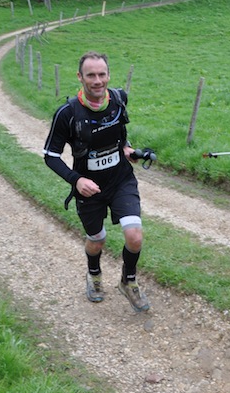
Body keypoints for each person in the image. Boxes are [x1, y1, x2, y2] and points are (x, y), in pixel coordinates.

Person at [43, 51, 150, 312]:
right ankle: (94, 274)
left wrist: (127, 149)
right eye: (91, 75)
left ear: (108, 75)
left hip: (121, 179)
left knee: (134, 236)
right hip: (88, 188)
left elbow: (120, 134)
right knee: (97, 239)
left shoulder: (119, 100)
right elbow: (50, 155)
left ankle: (129, 281)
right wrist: (76, 179)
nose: (97, 80)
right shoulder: (67, 113)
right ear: (80, 77)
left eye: (102, 74)